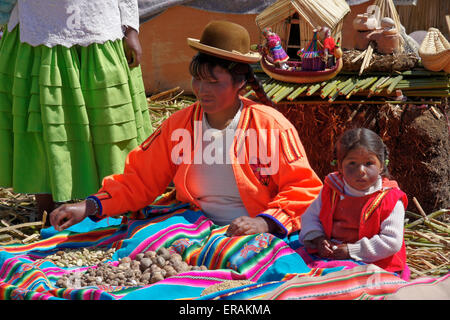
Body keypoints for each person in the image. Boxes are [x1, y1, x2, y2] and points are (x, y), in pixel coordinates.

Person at [50, 20, 322, 238]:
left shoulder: (270, 127)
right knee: (144, 243)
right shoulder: (179, 126)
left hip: (252, 230)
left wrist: (265, 223)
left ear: (239, 83)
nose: (202, 90)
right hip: (193, 225)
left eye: (213, 82)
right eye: (197, 80)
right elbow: (140, 180)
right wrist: (90, 205)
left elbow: (304, 187)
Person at [0, 0, 153, 217]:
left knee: (108, 118)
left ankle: (112, 202)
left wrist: (130, 28)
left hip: (97, 22)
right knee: (44, 118)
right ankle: (47, 209)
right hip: (41, 27)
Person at [299, 128, 409, 279]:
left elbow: (391, 241)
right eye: (352, 163)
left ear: (382, 165)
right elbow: (310, 217)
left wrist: (352, 250)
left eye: (369, 163)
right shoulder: (331, 189)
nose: (360, 171)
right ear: (339, 166)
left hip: (372, 261)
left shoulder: (390, 199)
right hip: (329, 254)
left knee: (340, 281)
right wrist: (318, 239)